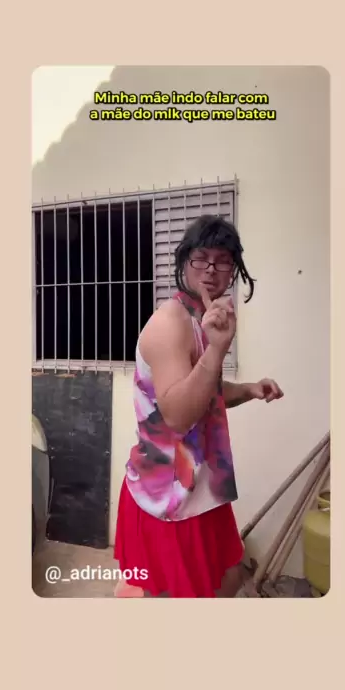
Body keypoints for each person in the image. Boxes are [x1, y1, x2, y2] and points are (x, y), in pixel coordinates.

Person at [114, 214, 283, 598]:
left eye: (223, 261)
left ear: (233, 270)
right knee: (177, 597)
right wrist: (218, 349)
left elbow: (205, 391)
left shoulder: (199, 318)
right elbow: (177, 415)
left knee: (224, 582)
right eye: (201, 258)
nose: (211, 269)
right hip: (169, 497)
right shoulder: (170, 323)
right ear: (184, 261)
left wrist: (249, 389)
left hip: (202, 488)